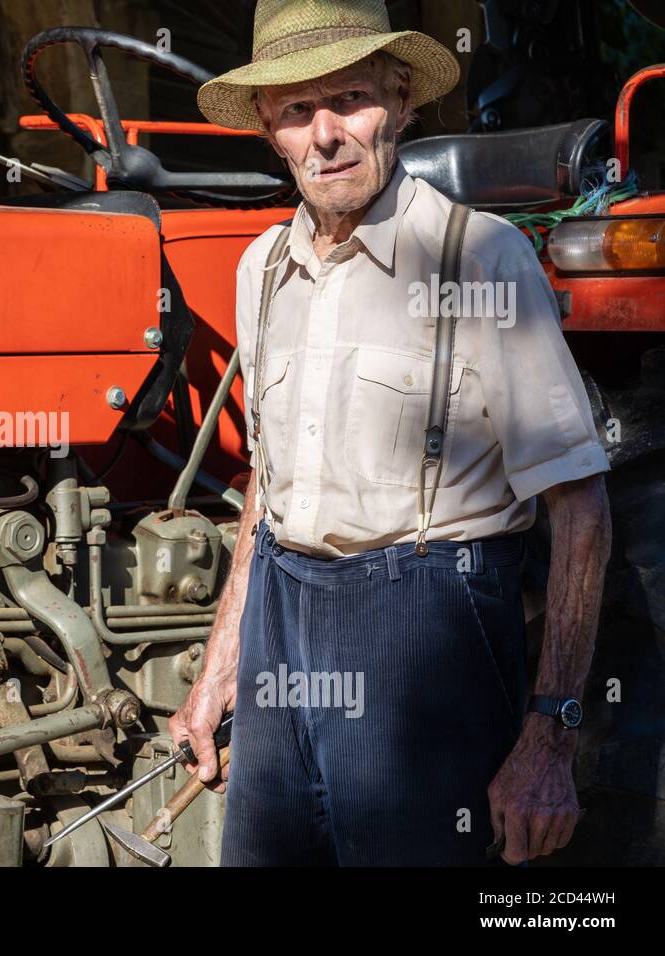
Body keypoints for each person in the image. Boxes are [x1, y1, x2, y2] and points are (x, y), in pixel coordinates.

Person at [170, 0, 612, 866]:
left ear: (402, 102)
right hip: (283, 622)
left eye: (352, 100)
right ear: (270, 129)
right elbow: (268, 479)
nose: (326, 134)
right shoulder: (260, 269)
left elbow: (582, 504)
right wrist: (222, 663)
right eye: (297, 111)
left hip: (425, 624)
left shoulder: (478, 259)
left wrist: (552, 736)